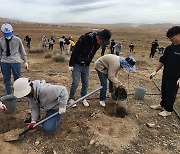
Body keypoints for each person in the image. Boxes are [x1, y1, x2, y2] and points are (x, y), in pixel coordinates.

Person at [69, 29, 111, 107]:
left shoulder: (98, 44)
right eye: (102, 42)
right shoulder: (85, 38)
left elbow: (92, 54)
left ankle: (83, 97)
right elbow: (75, 50)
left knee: (85, 83)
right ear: (99, 37)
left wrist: (87, 62)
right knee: (75, 82)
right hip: (77, 64)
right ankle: (71, 98)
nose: (102, 44)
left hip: (86, 66)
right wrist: (71, 64)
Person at [149, 26, 180, 117]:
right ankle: (162, 105)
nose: (170, 39)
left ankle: (168, 110)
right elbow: (162, 60)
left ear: (178, 35)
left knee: (171, 93)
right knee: (164, 90)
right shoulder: (169, 48)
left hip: (175, 77)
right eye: (169, 38)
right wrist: (155, 71)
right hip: (166, 74)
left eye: (171, 37)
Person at [0, 23, 28, 95]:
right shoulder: (0, 41)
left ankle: (18, 94)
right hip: (4, 62)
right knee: (6, 80)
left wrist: (25, 61)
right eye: (6, 34)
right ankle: (9, 96)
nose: (8, 36)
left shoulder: (17, 40)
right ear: (2, 32)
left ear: (12, 31)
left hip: (15, 62)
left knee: (18, 79)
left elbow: (22, 50)